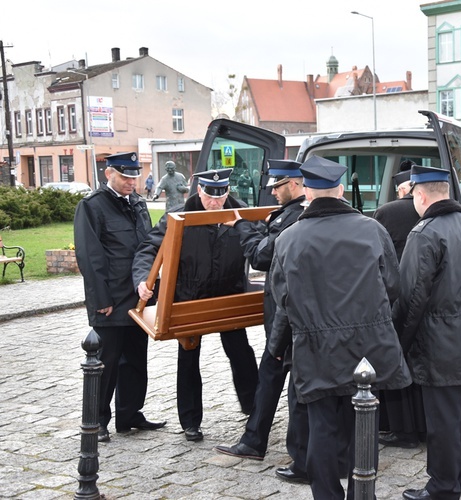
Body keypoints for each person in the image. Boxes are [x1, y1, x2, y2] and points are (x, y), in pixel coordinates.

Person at [266, 156, 412, 500]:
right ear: (342, 190)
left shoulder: (288, 239)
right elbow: (393, 286)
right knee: (363, 422)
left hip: (315, 350)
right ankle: (362, 493)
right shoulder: (372, 229)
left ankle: (327, 494)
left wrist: (281, 344)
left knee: (320, 427)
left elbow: (282, 298)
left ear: (307, 193)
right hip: (368, 347)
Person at [132, 168, 259, 442]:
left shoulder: (241, 213)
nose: (216, 202)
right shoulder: (178, 216)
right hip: (189, 295)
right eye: (209, 196)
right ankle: (190, 421)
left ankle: (254, 408)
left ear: (227, 191)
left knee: (241, 353)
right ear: (199, 191)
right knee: (188, 358)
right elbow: (149, 249)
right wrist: (143, 279)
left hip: (229, 294)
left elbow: (261, 241)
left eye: (221, 196)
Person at [394, 165, 461, 500]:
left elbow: (411, 298)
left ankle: (442, 487)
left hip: (439, 343)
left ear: (420, 196)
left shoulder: (424, 234)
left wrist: (399, 345)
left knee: (442, 421)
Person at [214, 160, 308, 476]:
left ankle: (290, 452)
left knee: (284, 379)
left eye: (277, 186)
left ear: (294, 184)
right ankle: (256, 440)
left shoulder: (293, 217)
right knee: (271, 375)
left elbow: (262, 256)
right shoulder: (294, 213)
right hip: (291, 316)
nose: (272, 191)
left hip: (287, 317)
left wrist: (242, 226)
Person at [73, 152, 166, 443]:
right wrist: (101, 299)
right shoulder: (92, 206)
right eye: (125, 176)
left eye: (134, 176)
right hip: (110, 298)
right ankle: (98, 420)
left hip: (138, 296)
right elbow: (90, 257)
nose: (130, 182)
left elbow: (148, 246)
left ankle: (130, 414)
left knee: (136, 359)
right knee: (106, 363)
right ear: (108, 173)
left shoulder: (137, 203)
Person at [372, 165, 425, 449]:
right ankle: (423, 425)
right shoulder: (432, 211)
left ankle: (398, 428)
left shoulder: (387, 212)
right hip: (428, 300)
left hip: (397, 300)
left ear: (403, 190)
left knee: (395, 364)